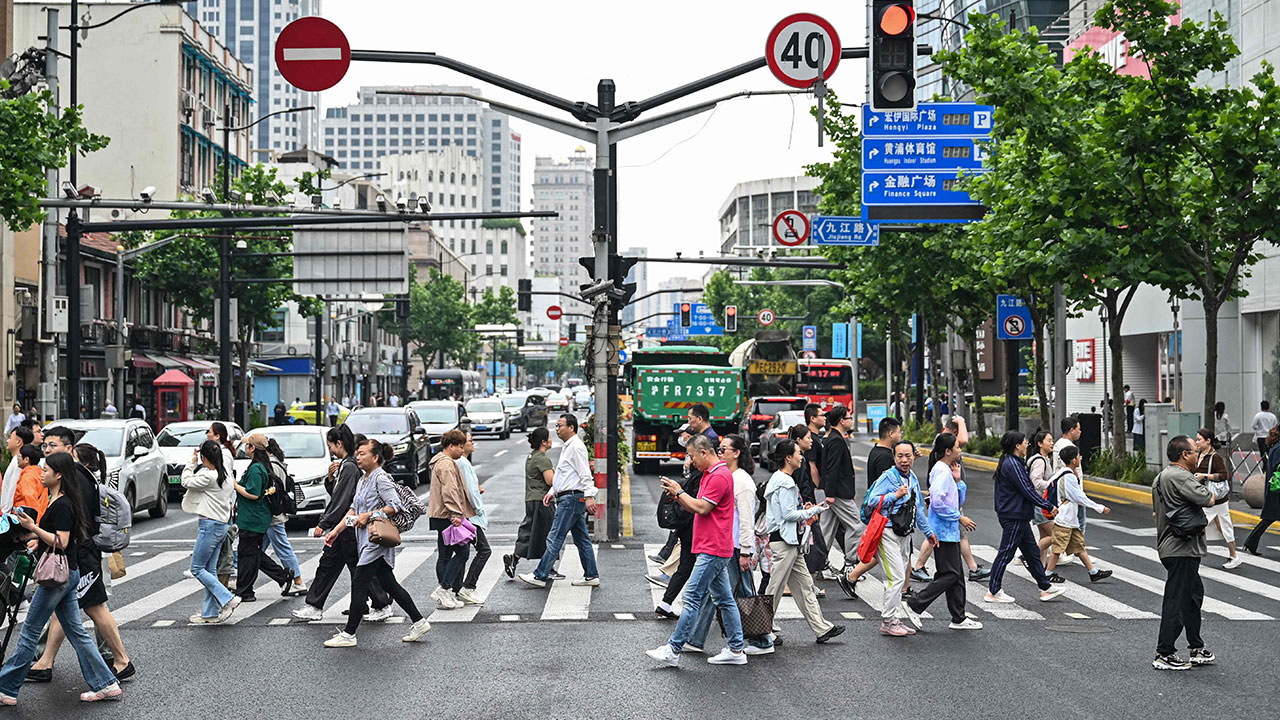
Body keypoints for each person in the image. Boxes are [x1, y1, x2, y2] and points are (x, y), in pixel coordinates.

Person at [0, 452, 122, 704]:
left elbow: (62, 541)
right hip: (69, 574)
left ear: (58, 475)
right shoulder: (60, 500)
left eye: (46, 470)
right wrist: (34, 538)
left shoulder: (63, 505)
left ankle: (6, 688)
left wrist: (33, 528)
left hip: (58, 578)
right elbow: (55, 538)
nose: (41, 473)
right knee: (76, 632)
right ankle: (106, 683)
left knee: (29, 632)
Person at [28, 435, 134, 684]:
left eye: (52, 446)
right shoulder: (80, 476)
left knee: (94, 606)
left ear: (68, 449)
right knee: (65, 609)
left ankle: (122, 660)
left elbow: (72, 523)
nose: (47, 451)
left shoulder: (77, 478)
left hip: (83, 553)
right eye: (46, 446)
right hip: (80, 552)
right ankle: (46, 662)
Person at [646, 434, 747, 667]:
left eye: (691, 456)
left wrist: (679, 492)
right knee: (724, 599)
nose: (690, 461)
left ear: (704, 452)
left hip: (713, 548)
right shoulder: (711, 475)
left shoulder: (719, 477)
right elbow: (697, 507)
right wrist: (680, 495)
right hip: (711, 546)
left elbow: (702, 508)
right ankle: (736, 649)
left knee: (691, 596)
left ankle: (673, 648)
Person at [322, 439, 430, 648]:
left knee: (359, 582)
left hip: (376, 539)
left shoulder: (381, 478)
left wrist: (370, 515)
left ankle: (349, 633)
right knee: (390, 584)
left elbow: (395, 506)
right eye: (357, 453)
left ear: (375, 457)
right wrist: (335, 531)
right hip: (364, 538)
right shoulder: (364, 479)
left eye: (362, 453)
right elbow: (353, 509)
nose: (358, 457)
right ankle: (419, 621)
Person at [686, 435, 778, 655]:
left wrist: (746, 551)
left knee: (743, 593)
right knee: (716, 592)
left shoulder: (742, 481)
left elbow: (747, 520)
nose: (720, 452)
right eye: (719, 448)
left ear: (737, 453)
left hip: (737, 547)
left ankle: (764, 640)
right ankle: (695, 639)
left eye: (724, 449)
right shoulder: (727, 476)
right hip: (727, 545)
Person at [295, 426, 392, 622]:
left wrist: (325, 524)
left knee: (353, 568)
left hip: (349, 527)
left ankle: (380, 604)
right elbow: (342, 497)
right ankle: (317, 605)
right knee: (340, 566)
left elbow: (342, 501)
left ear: (339, 444)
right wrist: (331, 479)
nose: (330, 449)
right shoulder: (347, 466)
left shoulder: (350, 467)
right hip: (347, 525)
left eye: (330, 445)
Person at [762, 439, 845, 646]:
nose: (802, 456)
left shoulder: (778, 478)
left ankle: (821, 628)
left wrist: (805, 508)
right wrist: (815, 510)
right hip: (784, 542)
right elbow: (789, 515)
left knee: (805, 586)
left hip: (790, 541)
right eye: (798, 453)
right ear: (788, 458)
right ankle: (762, 630)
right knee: (775, 588)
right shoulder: (786, 482)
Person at [1151, 435, 1217, 670]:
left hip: (1173, 546)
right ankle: (1164, 652)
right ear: (1184, 454)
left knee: (1192, 596)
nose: (1197, 454)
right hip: (1181, 547)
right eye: (1194, 451)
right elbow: (1208, 499)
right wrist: (1206, 486)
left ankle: (1196, 647)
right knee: (1177, 600)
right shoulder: (1180, 476)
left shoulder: (1160, 478)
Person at [904, 433, 982, 631]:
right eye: (957, 447)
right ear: (947, 451)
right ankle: (915, 604)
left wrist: (958, 482)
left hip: (949, 532)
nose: (960, 450)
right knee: (950, 575)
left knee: (955, 575)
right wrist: (959, 517)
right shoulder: (941, 471)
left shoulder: (947, 471)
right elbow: (937, 503)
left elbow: (955, 500)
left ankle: (959, 618)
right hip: (943, 532)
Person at [517, 414, 600, 589]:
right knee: (582, 539)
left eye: (560, 426)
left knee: (555, 537)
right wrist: (552, 491)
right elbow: (564, 474)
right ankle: (591, 575)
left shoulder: (576, 447)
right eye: (556, 426)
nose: (557, 429)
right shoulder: (568, 446)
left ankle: (540, 575)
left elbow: (585, 473)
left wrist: (589, 495)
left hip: (571, 498)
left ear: (571, 427)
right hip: (569, 496)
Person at [985, 431, 1066, 604]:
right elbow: (1027, 490)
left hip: (1018, 514)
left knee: (1032, 553)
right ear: (1017, 446)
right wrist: (1048, 505)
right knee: (1006, 553)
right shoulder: (1012, 464)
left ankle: (1045, 587)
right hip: (1014, 515)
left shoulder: (1014, 462)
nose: (1026, 445)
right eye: (1024, 442)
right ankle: (993, 591)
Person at [865, 440, 934, 636]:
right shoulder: (888, 477)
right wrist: (894, 495)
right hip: (886, 531)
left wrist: (929, 534)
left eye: (908, 456)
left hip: (903, 532)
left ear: (914, 456)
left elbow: (918, 509)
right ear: (893, 458)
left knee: (899, 576)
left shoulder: (911, 477)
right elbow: (871, 501)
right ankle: (887, 621)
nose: (904, 460)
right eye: (900, 456)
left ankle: (894, 618)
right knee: (895, 577)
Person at [181, 440, 240, 624]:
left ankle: (227, 598)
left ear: (204, 458)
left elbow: (186, 481)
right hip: (221, 526)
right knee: (210, 570)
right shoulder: (226, 476)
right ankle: (210, 612)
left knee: (197, 568)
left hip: (209, 526)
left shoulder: (209, 477)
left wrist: (191, 463)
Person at [233, 433, 295, 602]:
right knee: (252, 553)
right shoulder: (261, 465)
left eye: (247, 445)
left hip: (253, 518)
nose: (245, 448)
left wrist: (235, 486)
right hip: (255, 517)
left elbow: (253, 493)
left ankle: (246, 591)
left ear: (253, 448)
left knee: (247, 554)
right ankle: (282, 577)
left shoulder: (256, 468)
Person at [1043, 446, 1113, 582]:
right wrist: (1099, 508)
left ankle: (1093, 572)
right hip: (1064, 518)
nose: (1080, 458)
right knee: (1058, 548)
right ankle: (1048, 573)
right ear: (1074, 460)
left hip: (1069, 519)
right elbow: (1079, 497)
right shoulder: (1068, 476)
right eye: (1078, 456)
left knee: (1079, 546)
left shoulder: (1063, 472)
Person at [427, 430, 475, 609]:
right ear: (451, 446)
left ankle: (445, 594)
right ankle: (444, 589)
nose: (463, 450)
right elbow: (450, 490)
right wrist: (456, 513)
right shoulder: (446, 464)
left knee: (445, 556)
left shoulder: (441, 462)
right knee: (462, 553)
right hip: (448, 515)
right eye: (460, 446)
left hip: (440, 514)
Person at [504, 427, 555, 579]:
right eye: (549, 438)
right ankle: (548, 567)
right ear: (543, 442)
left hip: (531, 499)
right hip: (543, 500)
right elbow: (550, 480)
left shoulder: (532, 456)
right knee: (549, 533)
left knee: (531, 530)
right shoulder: (542, 458)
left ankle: (515, 558)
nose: (552, 440)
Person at [817, 405, 862, 573]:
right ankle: (850, 563)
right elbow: (832, 468)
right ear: (842, 421)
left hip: (836, 492)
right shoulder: (836, 440)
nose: (851, 420)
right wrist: (830, 493)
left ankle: (819, 563)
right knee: (855, 526)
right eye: (849, 418)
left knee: (826, 529)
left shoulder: (834, 438)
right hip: (838, 493)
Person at [262, 439, 308, 597]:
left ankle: (298, 581)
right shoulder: (277, 462)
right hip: (273, 514)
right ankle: (242, 578)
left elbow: (272, 491)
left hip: (273, 515)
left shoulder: (272, 465)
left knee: (282, 548)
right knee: (253, 550)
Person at [1192, 428, 1241, 569]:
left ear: (1208, 441)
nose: (1196, 442)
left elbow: (1224, 475)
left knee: (1200, 524)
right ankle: (1234, 555)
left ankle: (1234, 556)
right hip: (1203, 497)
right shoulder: (1199, 454)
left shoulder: (1215, 457)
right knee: (1221, 526)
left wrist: (1205, 476)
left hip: (1216, 499)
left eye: (1199, 439)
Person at [456, 433, 491, 605]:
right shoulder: (463, 463)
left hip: (463, 515)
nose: (473, 443)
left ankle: (456, 588)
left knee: (461, 553)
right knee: (484, 550)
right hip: (470, 516)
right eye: (470, 441)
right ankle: (468, 587)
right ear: (462, 445)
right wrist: (478, 509)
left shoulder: (461, 462)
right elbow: (470, 491)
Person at [209, 422, 239, 589]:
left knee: (224, 538)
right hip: (222, 501)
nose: (207, 434)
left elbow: (225, 479)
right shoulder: (222, 452)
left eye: (210, 432)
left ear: (217, 435)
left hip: (222, 502)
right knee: (223, 537)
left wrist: (227, 499)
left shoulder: (224, 454)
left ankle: (222, 572)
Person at [1243, 425, 1280, 555]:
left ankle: (1250, 543)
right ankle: (1250, 542)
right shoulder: (1279, 448)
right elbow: (1277, 467)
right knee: (1269, 518)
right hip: (1277, 489)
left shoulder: (1274, 448)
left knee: (1269, 518)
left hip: (1273, 487)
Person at [1025, 429, 1058, 574]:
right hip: (1040, 504)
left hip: (1039, 503)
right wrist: (1052, 485)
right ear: (1040, 443)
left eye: (1052, 440)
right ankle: (1028, 556)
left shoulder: (1044, 459)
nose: (1052, 443)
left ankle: (1040, 569)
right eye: (1049, 441)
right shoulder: (1039, 460)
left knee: (1045, 537)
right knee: (1058, 535)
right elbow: (1036, 482)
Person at [2, 425, 34, 513]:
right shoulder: (16, 461)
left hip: (9, 513)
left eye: (10, 438)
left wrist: (5, 513)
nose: (7, 440)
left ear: (18, 442)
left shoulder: (19, 463)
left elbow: (12, 490)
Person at [13, 444, 49, 520]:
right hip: (42, 514)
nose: (17, 458)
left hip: (26, 518)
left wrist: (35, 522)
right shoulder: (40, 472)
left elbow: (30, 499)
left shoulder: (27, 477)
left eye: (19, 456)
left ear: (26, 459)